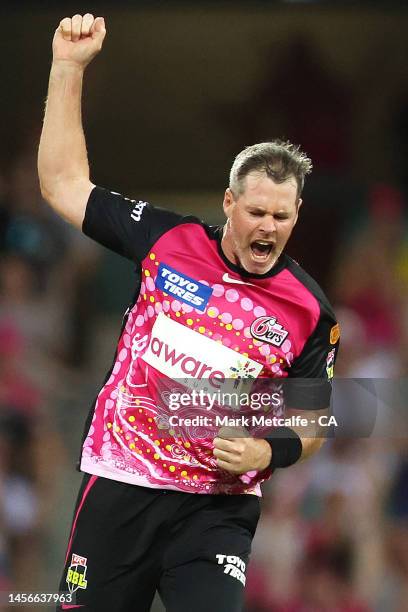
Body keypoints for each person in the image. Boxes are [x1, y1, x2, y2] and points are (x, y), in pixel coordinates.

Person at [38, 14, 340, 612]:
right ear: (229, 202)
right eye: (255, 212)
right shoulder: (167, 240)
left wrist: (266, 454)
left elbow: (313, 425)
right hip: (122, 484)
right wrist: (68, 67)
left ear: (297, 214)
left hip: (216, 511)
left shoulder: (312, 310)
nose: (267, 228)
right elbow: (62, 184)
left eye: (281, 217)